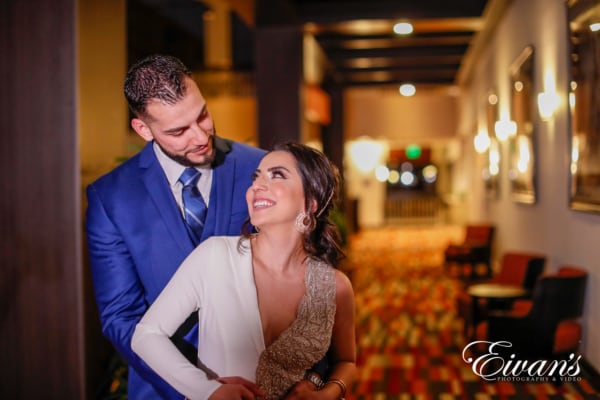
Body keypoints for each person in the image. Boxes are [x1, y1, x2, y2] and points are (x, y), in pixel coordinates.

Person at [85, 54, 266, 399]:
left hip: (260, 384)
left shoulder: (260, 167)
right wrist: (198, 387)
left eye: (202, 115)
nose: (200, 136)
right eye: (178, 131)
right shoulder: (111, 198)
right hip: (164, 392)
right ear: (143, 130)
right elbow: (121, 316)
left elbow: (303, 279)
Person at [132, 142, 357, 400]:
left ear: (310, 202)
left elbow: (346, 361)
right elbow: (147, 335)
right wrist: (208, 390)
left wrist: (327, 393)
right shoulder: (214, 256)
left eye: (277, 175)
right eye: (256, 177)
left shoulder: (336, 287)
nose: (256, 186)